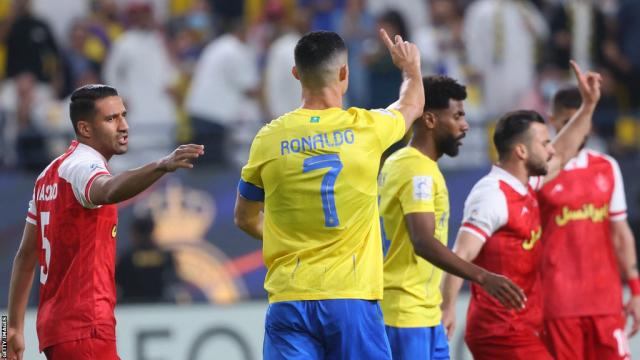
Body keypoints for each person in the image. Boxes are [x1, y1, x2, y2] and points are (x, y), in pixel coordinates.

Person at [234, 30, 424, 359]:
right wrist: (410, 68)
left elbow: (244, 217)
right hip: (352, 298)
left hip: (289, 298)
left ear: (296, 74)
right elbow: (412, 104)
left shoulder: (267, 139)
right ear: (344, 73)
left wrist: (286, 236)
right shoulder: (368, 129)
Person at [6, 84, 204, 360]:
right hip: (85, 328)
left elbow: (26, 256)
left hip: (60, 331)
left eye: (123, 115)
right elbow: (106, 189)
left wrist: (12, 328)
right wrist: (162, 165)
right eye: (111, 119)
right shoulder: (82, 167)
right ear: (85, 129)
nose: (124, 126)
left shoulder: (47, 176)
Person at [440, 61, 602, 360]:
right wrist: (448, 306)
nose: (551, 149)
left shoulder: (526, 184)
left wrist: (588, 105)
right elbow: (460, 255)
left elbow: (565, 151)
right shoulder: (492, 195)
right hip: (500, 333)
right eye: (544, 143)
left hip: (523, 328)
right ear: (522, 152)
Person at [379, 75, 526, 360]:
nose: (465, 125)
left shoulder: (414, 165)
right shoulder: (415, 169)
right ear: (430, 120)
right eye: (457, 116)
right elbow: (422, 240)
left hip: (425, 311)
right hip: (405, 315)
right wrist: (482, 277)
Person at [536, 87, 639, 359]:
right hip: (558, 305)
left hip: (606, 303)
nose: (575, 128)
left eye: (580, 119)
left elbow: (621, 234)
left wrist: (636, 291)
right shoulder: (539, 175)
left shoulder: (607, 166)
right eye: (567, 121)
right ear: (552, 120)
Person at [115, 213, 178, 304]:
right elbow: (174, 283)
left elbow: (117, 285)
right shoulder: (165, 256)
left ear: (135, 232)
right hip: (161, 308)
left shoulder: (126, 257)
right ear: (153, 231)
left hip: (131, 308)